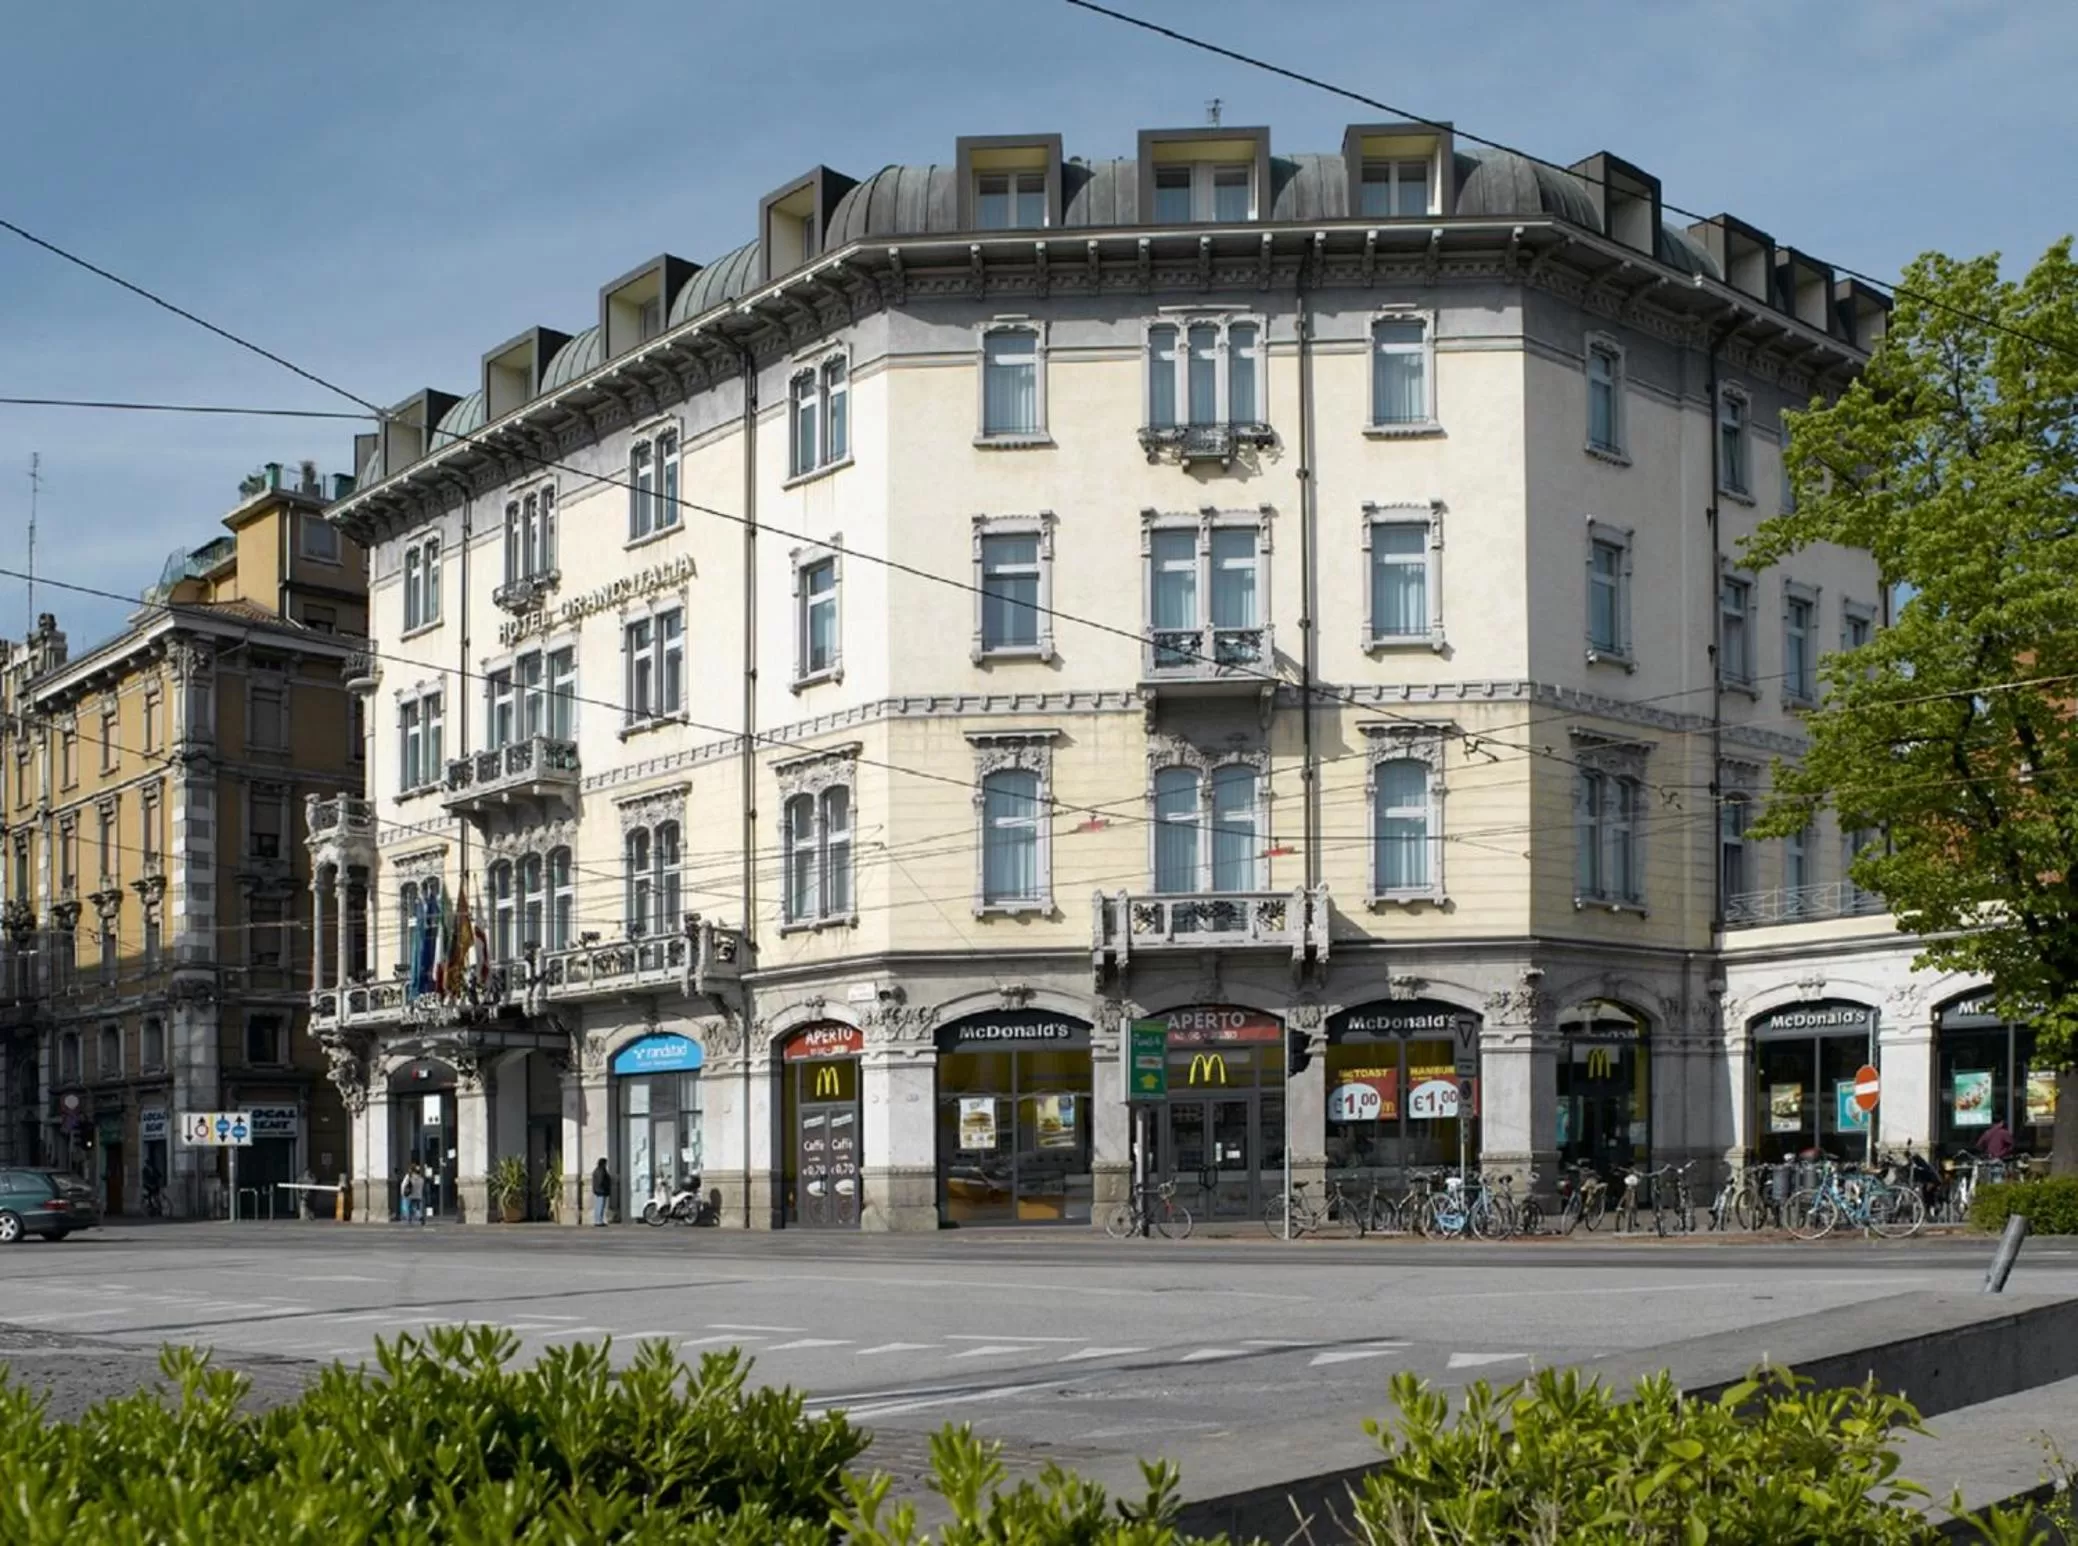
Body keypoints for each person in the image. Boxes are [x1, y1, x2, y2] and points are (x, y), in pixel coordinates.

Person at [591, 1157, 612, 1227]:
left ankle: (598, 1220)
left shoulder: (597, 1170)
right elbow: (601, 1181)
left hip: (598, 1190)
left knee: (598, 1205)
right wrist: (605, 1186)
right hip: (601, 1190)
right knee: (600, 1206)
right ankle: (599, 1221)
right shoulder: (601, 1171)